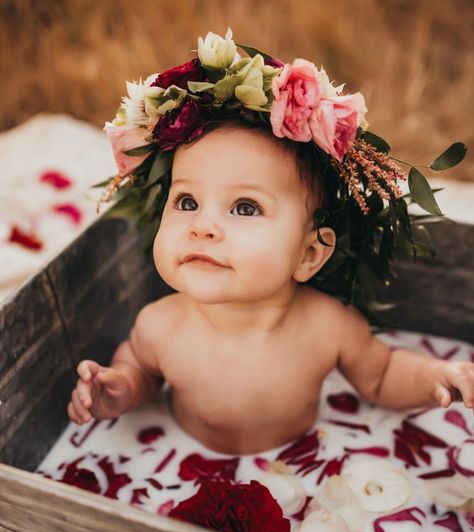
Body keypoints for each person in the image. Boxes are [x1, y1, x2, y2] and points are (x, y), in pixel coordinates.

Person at [67, 30, 473, 455]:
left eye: (244, 207)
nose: (202, 226)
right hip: (184, 452)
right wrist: (119, 389)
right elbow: (142, 371)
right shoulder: (159, 325)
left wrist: (433, 379)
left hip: (294, 462)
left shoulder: (327, 326)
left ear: (309, 253)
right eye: (187, 200)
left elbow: (382, 373)